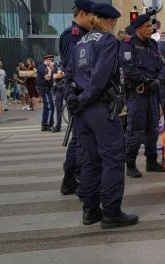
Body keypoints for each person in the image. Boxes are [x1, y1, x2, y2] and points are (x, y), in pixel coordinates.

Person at [69, 3, 139, 228]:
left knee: (90, 160)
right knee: (113, 158)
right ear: (108, 20)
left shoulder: (79, 43)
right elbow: (99, 79)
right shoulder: (108, 41)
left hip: (82, 111)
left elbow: (70, 75)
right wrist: (85, 98)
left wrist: (76, 99)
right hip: (100, 106)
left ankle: (90, 210)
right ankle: (111, 212)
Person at [120, 14, 165, 178]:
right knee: (136, 130)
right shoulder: (128, 45)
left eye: (150, 26)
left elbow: (163, 66)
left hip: (153, 93)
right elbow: (128, 69)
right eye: (147, 26)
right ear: (138, 28)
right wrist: (148, 81)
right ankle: (131, 164)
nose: (150, 29)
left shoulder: (153, 45)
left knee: (153, 129)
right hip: (137, 94)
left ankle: (151, 161)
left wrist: (158, 81)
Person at [58, 0, 95, 196]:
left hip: (84, 91)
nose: (94, 20)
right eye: (91, 15)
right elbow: (73, 66)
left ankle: (71, 178)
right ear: (81, 13)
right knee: (80, 138)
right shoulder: (71, 36)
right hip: (77, 91)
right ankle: (73, 177)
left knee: (80, 137)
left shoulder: (86, 35)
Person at [37, 55, 55, 132]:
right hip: (45, 89)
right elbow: (47, 77)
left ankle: (44, 125)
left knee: (46, 107)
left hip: (47, 89)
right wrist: (50, 70)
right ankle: (48, 125)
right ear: (47, 60)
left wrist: (51, 69)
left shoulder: (47, 68)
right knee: (50, 107)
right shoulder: (42, 67)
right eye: (51, 61)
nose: (52, 62)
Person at [52, 63, 65, 132]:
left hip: (66, 88)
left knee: (70, 107)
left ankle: (72, 126)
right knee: (58, 108)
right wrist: (64, 74)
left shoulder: (67, 62)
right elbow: (55, 76)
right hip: (59, 89)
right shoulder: (56, 65)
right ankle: (58, 126)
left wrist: (61, 74)